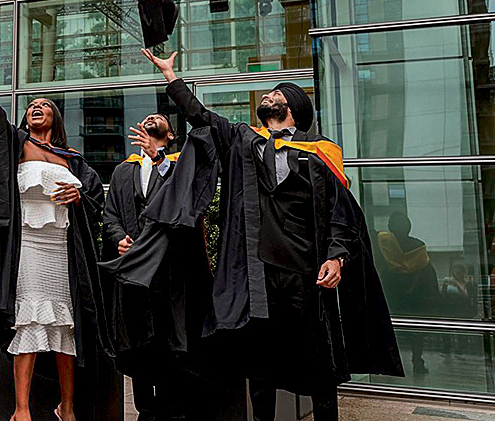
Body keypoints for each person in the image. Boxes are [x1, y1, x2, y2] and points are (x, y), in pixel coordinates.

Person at [136, 48, 403, 421]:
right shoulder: (245, 142)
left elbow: (340, 215)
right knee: (259, 364)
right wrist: (171, 76)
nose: (269, 95)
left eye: (278, 93)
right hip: (258, 275)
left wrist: (336, 256)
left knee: (319, 363)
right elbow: (202, 117)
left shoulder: (319, 153)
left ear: (292, 105)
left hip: (305, 273)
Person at [0, 21, 107, 421]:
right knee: (28, 321)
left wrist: (79, 195)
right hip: (26, 246)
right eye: (31, 106)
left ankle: (68, 407)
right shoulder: (18, 144)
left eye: (44, 104)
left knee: (65, 327)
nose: (36, 107)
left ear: (55, 117)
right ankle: (22, 409)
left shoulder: (73, 160)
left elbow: (95, 200)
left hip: (63, 250)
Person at [102, 113, 202, 421]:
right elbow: (111, 215)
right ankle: (145, 409)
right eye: (148, 117)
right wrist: (119, 239)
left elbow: (183, 200)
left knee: (167, 339)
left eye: (159, 118)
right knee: (136, 342)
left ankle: (173, 410)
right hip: (133, 270)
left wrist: (157, 157)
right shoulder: (123, 171)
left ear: (170, 136)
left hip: (168, 270)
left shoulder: (178, 167)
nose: (152, 118)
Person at [374, 211, 437, 374]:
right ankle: (417, 362)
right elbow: (429, 274)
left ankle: (389, 364)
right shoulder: (418, 246)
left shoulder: (383, 245)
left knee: (388, 332)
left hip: (391, 296)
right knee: (417, 334)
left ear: (390, 227)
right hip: (416, 298)